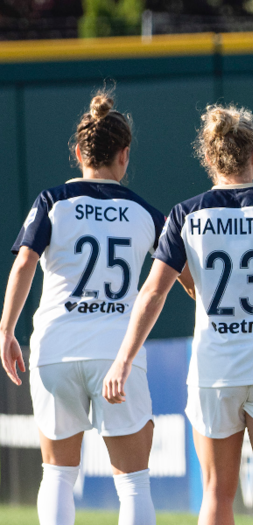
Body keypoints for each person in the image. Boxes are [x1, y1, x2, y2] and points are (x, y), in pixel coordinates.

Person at [102, 104, 253, 525]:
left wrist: (123, 360)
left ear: (210, 159)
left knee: (217, 493)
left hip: (215, 371)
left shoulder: (186, 214)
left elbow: (152, 292)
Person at [0, 92, 164, 525]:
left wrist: (6, 331)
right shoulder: (145, 212)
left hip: (56, 347)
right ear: (124, 155)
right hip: (118, 353)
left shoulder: (52, 201)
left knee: (56, 473)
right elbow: (179, 278)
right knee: (133, 482)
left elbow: (23, 265)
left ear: (78, 152)